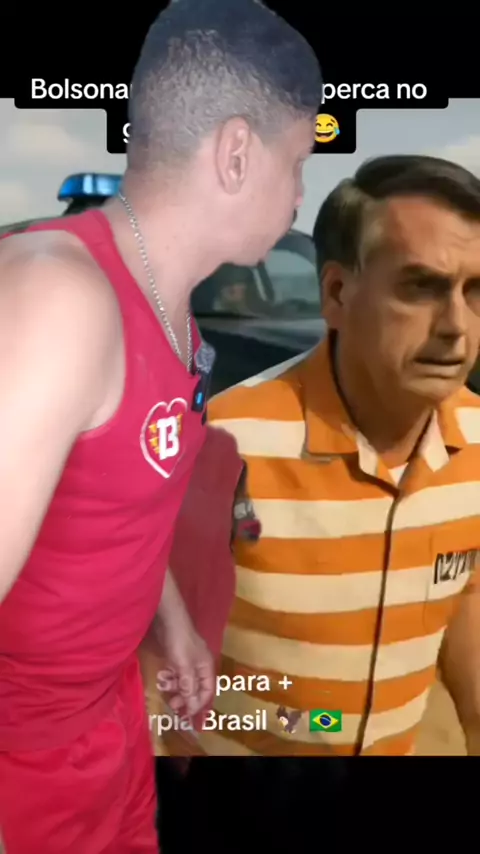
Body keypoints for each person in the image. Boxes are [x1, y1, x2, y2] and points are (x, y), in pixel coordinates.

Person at [0, 0, 321, 851]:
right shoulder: (58, 299)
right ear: (237, 153)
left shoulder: (172, 317)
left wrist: (170, 621)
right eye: (297, 163)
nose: (300, 196)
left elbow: (113, 508)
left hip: (110, 726)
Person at [199, 154, 480, 764]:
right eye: (421, 287)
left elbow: (463, 593)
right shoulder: (222, 446)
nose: (457, 326)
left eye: (476, 291)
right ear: (336, 293)